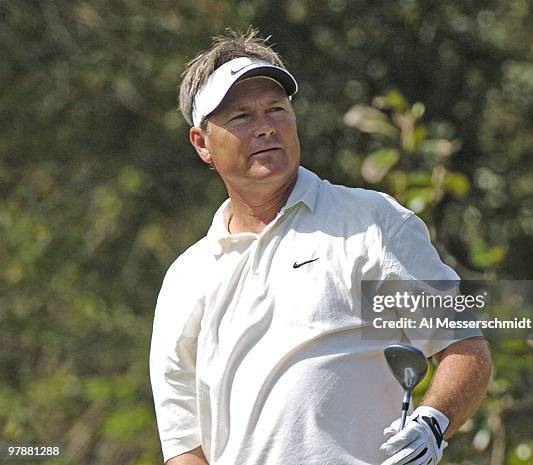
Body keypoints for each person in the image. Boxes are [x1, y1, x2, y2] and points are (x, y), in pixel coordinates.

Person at [149, 30, 492, 465]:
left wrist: (433, 421)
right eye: (241, 117)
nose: (266, 127)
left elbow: (463, 346)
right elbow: (183, 444)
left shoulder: (371, 223)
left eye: (276, 109)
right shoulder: (186, 277)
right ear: (202, 143)